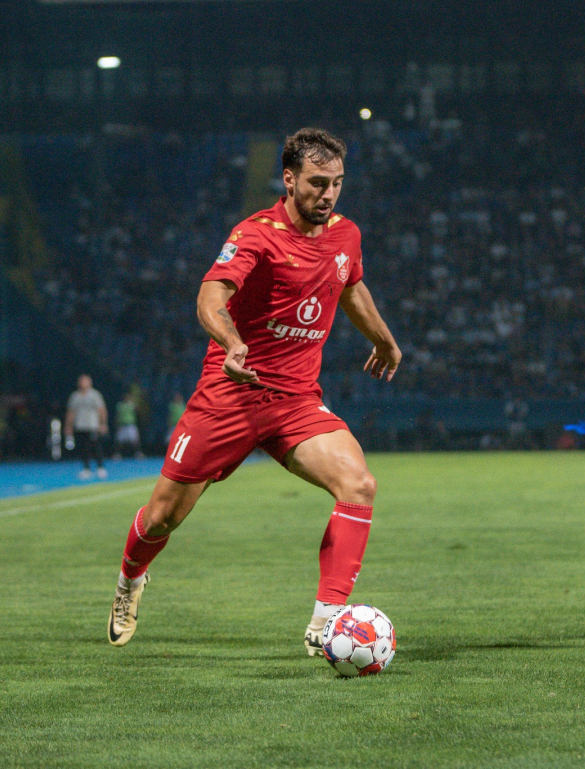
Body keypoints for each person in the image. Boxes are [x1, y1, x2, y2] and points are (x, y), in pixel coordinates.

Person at [106, 128, 402, 656]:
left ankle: (327, 623)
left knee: (358, 484)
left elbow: (350, 284)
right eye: (317, 183)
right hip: (230, 393)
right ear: (288, 180)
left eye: (337, 184)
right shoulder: (255, 234)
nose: (328, 194)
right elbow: (209, 296)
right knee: (162, 517)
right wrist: (231, 342)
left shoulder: (346, 235)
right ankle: (130, 580)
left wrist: (383, 338)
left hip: (295, 401)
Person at [65, 374, 109, 480]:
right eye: (81, 381)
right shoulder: (75, 396)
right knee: (84, 448)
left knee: (96, 446)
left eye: (85, 381)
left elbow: (102, 410)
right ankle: (86, 469)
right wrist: (68, 426)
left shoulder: (95, 395)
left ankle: (100, 467)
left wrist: (103, 423)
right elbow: (71, 412)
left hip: (93, 425)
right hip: (80, 426)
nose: (83, 383)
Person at [113, 390, 143, 459]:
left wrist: (136, 403)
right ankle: (117, 454)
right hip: (122, 425)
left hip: (131, 425)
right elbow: (117, 415)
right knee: (119, 441)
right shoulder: (120, 405)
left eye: (128, 397)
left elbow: (138, 412)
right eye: (125, 397)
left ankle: (138, 453)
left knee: (135, 440)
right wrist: (117, 424)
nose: (126, 398)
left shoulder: (132, 405)